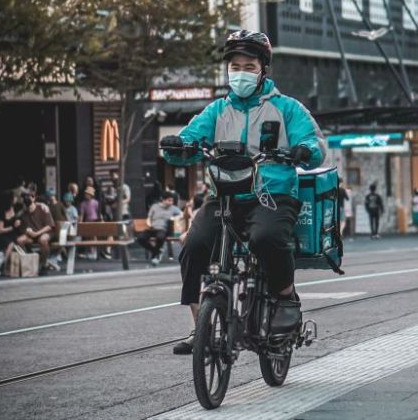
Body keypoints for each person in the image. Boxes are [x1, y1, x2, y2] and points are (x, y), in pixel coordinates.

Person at [160, 29, 325, 355]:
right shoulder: (217, 111)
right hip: (225, 195)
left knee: (267, 239)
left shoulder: (287, 108)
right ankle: (200, 328)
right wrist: (177, 146)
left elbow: (314, 143)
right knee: (193, 245)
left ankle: (285, 296)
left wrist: (304, 151)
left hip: (273, 196)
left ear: (263, 69)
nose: (240, 73)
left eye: (248, 66)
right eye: (234, 66)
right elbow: (189, 140)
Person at [16, 190, 57, 272]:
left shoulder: (43, 208)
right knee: (19, 240)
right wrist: (26, 231)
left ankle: (44, 264)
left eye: (29, 196)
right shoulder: (23, 212)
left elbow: (49, 226)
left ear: (34, 198)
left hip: (45, 232)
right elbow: (22, 228)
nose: (26, 198)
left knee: (43, 240)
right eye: (25, 197)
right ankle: (30, 261)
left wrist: (36, 233)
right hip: (31, 235)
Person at [137, 191, 182, 267]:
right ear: (163, 200)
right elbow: (149, 218)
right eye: (169, 200)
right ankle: (156, 251)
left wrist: (175, 217)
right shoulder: (154, 206)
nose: (171, 202)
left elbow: (182, 214)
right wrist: (149, 223)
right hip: (153, 228)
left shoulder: (173, 208)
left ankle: (154, 255)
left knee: (160, 237)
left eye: (172, 201)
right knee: (140, 238)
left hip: (164, 229)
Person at [78, 186, 100, 259]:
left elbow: (98, 212)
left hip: (94, 220)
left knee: (93, 236)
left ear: (91, 195)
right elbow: (82, 214)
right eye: (86, 193)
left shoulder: (96, 203)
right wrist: (80, 222)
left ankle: (94, 251)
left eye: (87, 194)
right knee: (87, 237)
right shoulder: (83, 203)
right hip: (87, 220)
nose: (86, 195)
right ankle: (90, 251)